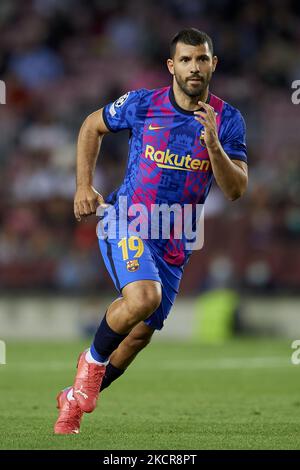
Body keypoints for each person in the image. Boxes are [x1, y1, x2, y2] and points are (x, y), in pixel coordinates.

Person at [54, 28, 248, 434]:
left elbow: (235, 191)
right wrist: (82, 185)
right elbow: (92, 126)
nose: (194, 67)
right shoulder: (143, 104)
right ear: (171, 66)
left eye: (202, 59)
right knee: (144, 296)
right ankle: (89, 364)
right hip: (125, 220)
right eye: (186, 59)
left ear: (213, 64)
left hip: (175, 242)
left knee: (139, 335)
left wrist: (213, 144)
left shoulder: (228, 120)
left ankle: (73, 400)